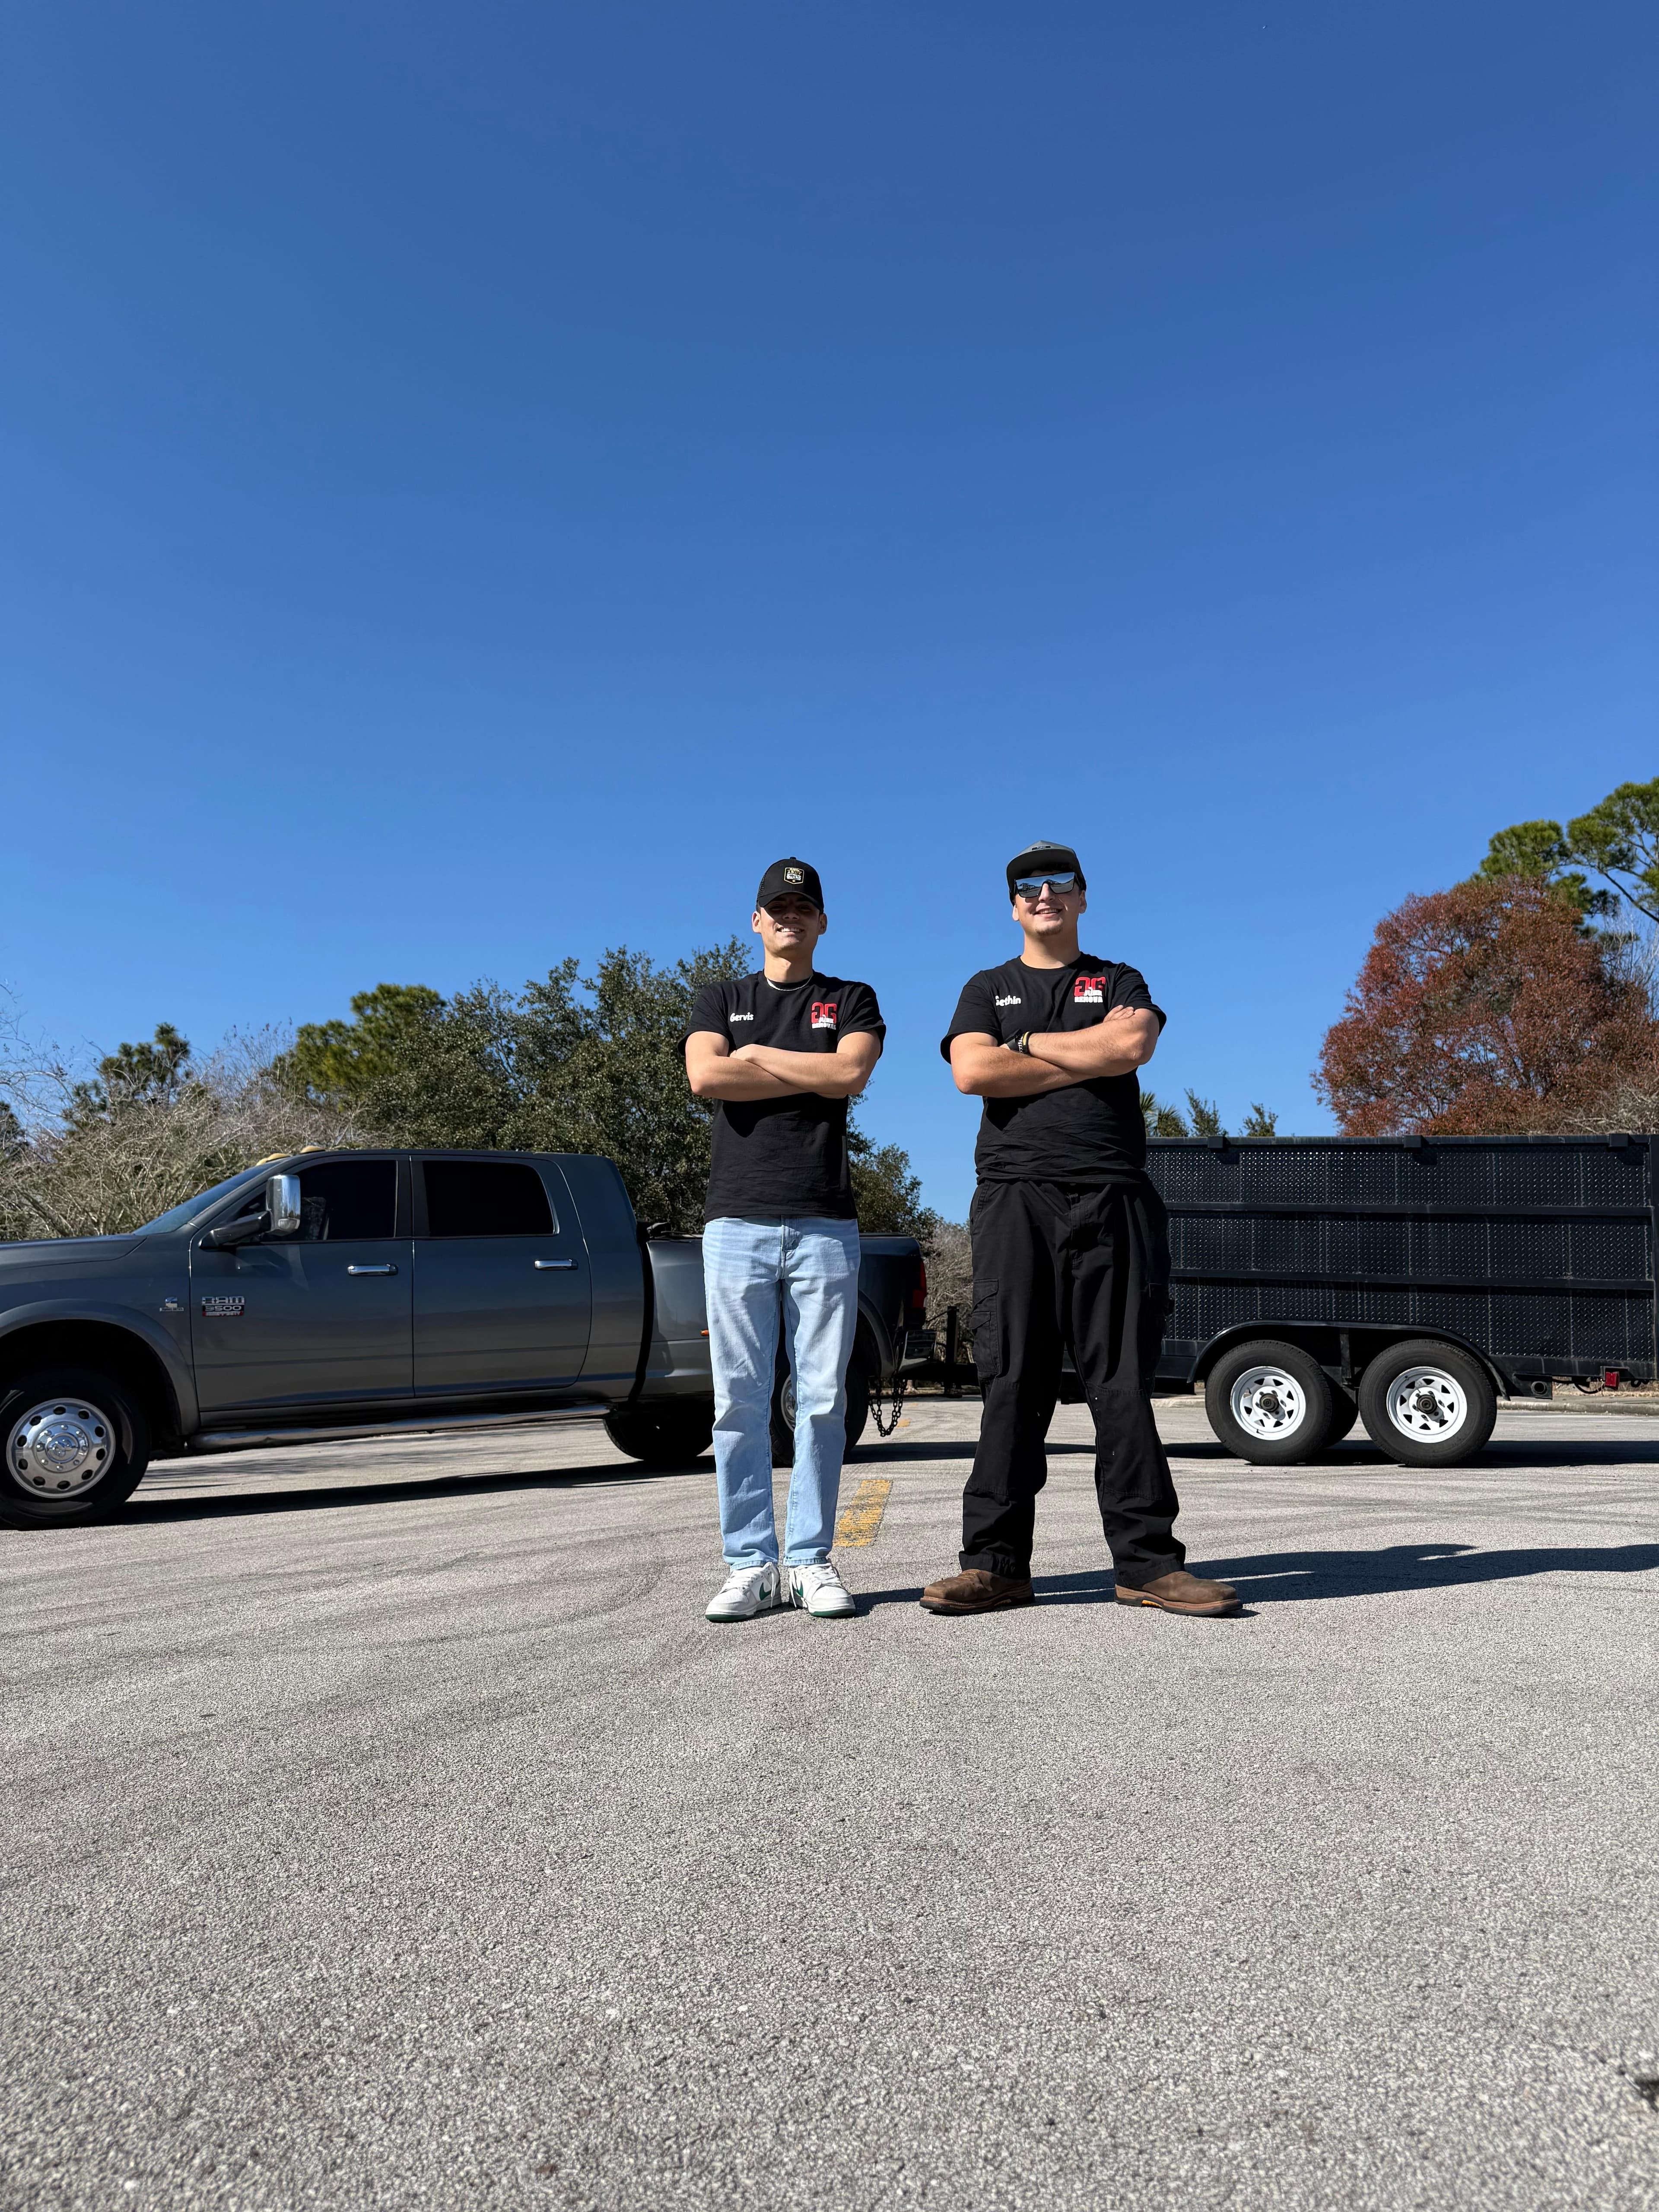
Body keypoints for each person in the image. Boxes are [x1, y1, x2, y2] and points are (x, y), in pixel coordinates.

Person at [921, 840, 1237, 1618]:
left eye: (1058, 882)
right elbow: (972, 1072)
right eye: (1027, 886)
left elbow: (1132, 1045)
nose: (1043, 894)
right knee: (1012, 1381)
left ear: (1083, 896)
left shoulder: (1118, 980)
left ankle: (1147, 1565)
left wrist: (1025, 1046)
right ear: (1012, 904)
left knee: (1121, 1385)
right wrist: (1081, 1057)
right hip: (1014, 1199)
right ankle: (994, 1564)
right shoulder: (985, 987)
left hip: (1113, 1196)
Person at [684, 858, 885, 1623]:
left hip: (825, 1221)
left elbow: (848, 1076)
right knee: (737, 1401)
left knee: (823, 1399)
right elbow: (705, 1079)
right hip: (736, 1222)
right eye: (778, 909)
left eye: (804, 909)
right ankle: (749, 1565)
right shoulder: (721, 997)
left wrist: (759, 1057)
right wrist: (810, 1070)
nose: (791, 919)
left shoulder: (850, 998)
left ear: (822, 922)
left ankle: (809, 1561)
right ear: (757, 922)